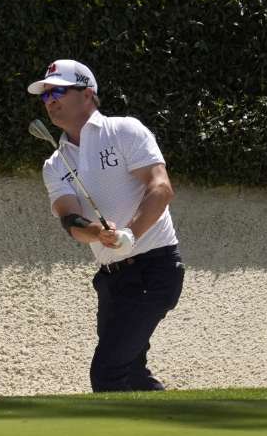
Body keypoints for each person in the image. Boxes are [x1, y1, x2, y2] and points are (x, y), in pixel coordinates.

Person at [27, 59, 185, 392]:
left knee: (109, 372)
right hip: (112, 281)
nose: (50, 100)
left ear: (87, 94)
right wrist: (95, 233)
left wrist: (131, 233)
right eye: (45, 95)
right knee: (132, 374)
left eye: (58, 91)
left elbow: (161, 187)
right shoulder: (55, 163)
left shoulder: (124, 131)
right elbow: (68, 217)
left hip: (153, 269)